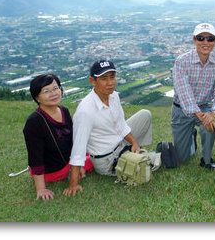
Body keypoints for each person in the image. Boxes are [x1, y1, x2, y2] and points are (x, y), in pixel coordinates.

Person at [63, 60, 159, 196]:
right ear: (93, 81)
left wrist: (134, 142)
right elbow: (78, 148)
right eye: (104, 78)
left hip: (119, 141)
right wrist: (73, 183)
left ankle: (136, 150)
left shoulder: (113, 96)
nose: (110, 82)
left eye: (112, 77)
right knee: (153, 161)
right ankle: (145, 155)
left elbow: (121, 125)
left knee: (145, 114)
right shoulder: (86, 111)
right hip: (107, 158)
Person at [23, 74, 94, 201]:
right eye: (46, 91)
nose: (54, 93)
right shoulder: (34, 122)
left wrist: (78, 165)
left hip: (68, 160)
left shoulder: (64, 110)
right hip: (51, 171)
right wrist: (41, 189)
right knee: (96, 158)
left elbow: (73, 142)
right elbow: (35, 158)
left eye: (56, 88)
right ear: (37, 97)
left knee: (93, 150)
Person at [171, 23, 215, 170]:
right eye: (201, 38)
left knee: (210, 126)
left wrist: (213, 113)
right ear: (194, 40)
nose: (205, 42)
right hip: (181, 110)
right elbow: (184, 92)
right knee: (182, 157)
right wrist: (201, 116)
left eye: (210, 39)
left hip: (204, 106)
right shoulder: (182, 61)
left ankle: (206, 160)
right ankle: (192, 137)